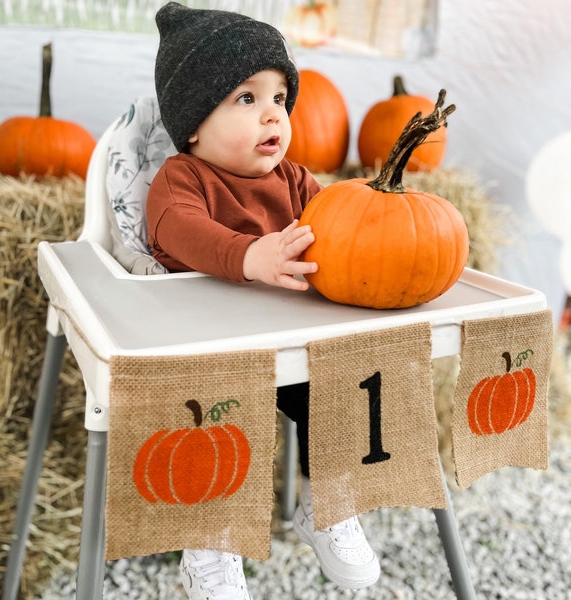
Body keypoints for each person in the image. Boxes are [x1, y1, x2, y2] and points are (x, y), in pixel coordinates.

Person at [147, 3, 380, 598]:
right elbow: (178, 230)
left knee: (342, 392)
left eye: (279, 98)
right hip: (208, 351)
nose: (272, 113)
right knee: (217, 427)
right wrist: (251, 256)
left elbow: (340, 229)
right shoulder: (182, 180)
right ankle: (213, 542)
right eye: (246, 99)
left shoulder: (297, 182)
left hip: (286, 342)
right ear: (194, 123)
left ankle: (325, 503)